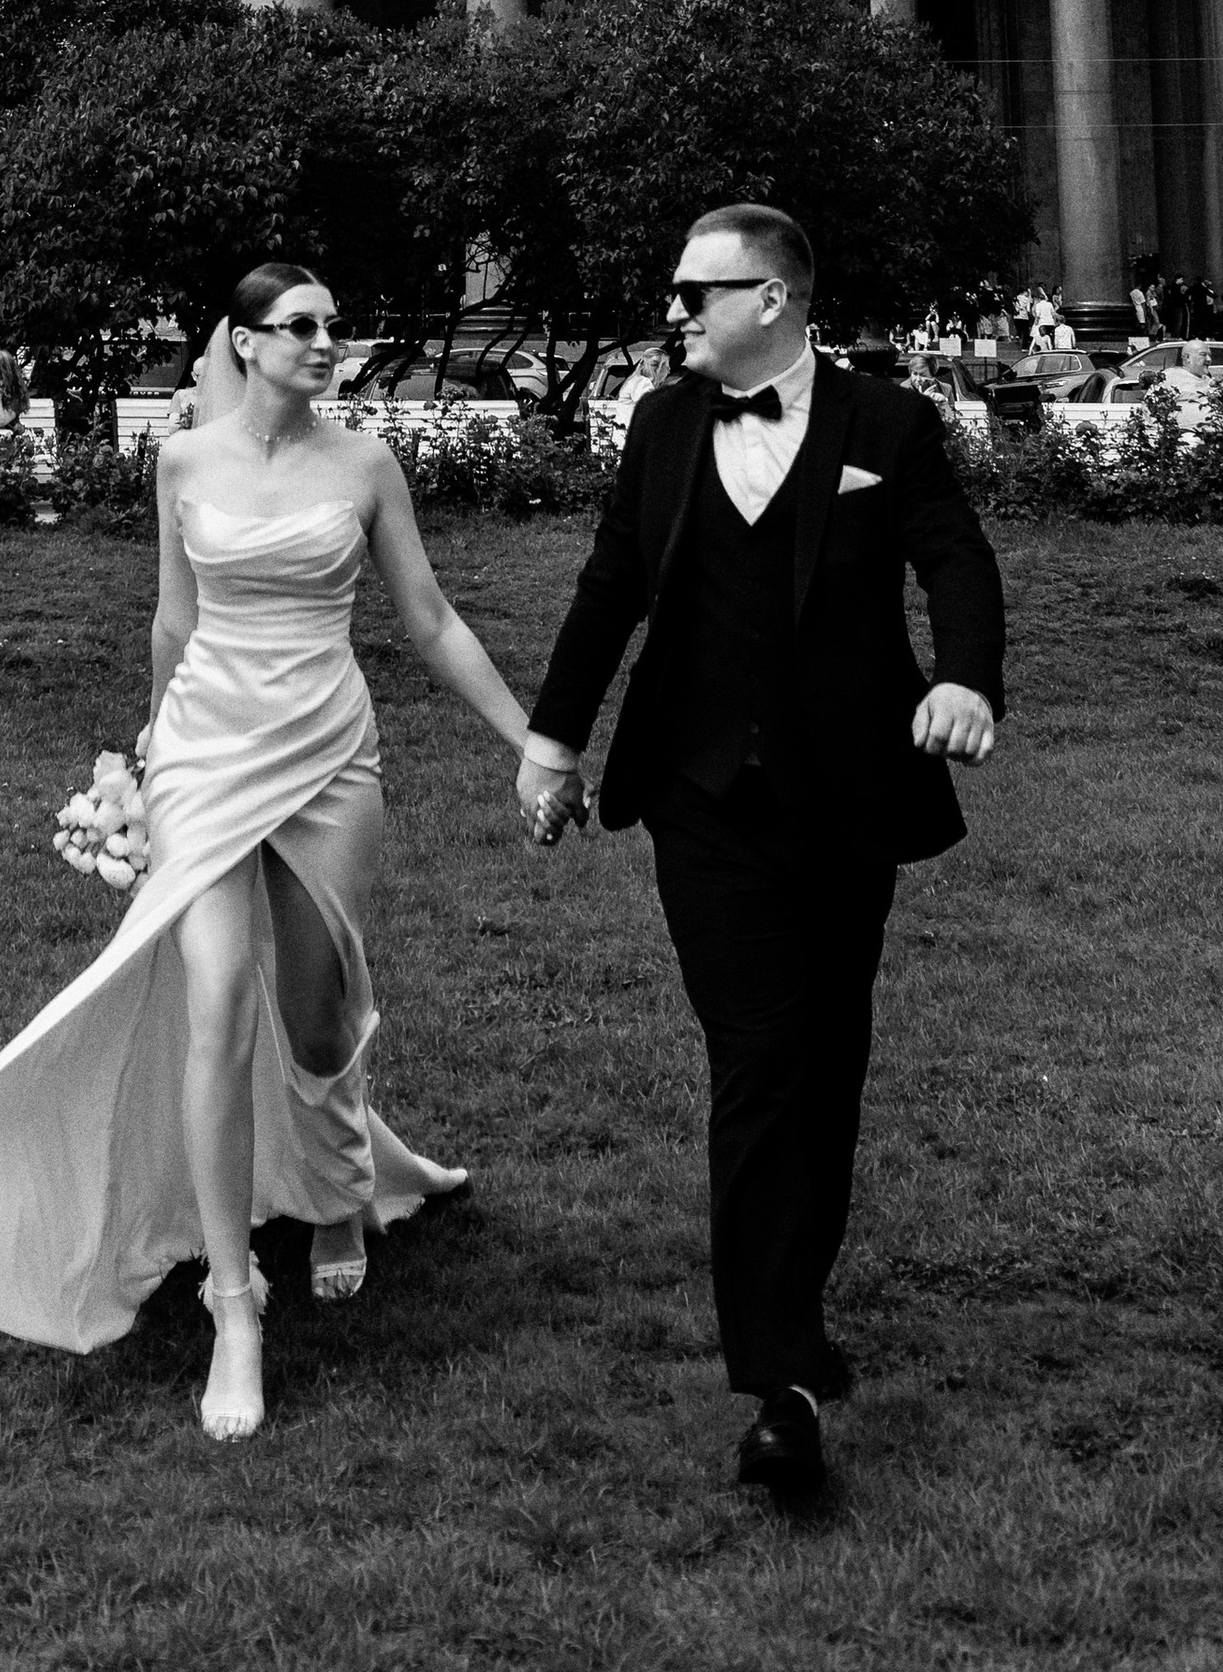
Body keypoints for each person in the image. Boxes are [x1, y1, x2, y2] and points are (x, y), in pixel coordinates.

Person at [0, 259, 533, 1444]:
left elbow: (425, 616)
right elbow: (175, 614)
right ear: (244, 339)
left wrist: (532, 738)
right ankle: (233, 1305)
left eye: (335, 325)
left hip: (327, 753)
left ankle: (335, 1195)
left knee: (320, 1016)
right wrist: (148, 747)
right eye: (302, 326)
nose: (327, 343)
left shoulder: (364, 463)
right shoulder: (182, 459)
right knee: (216, 1002)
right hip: (207, 750)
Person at [515, 204, 1003, 1509]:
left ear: (774, 298)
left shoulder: (885, 426)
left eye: (696, 288)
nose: (674, 308)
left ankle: (795, 1301)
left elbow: (956, 555)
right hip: (699, 796)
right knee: (760, 1055)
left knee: (829, 1053)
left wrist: (964, 676)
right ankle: (779, 1382)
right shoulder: (664, 423)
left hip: (848, 794)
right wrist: (552, 739)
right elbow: (613, 577)